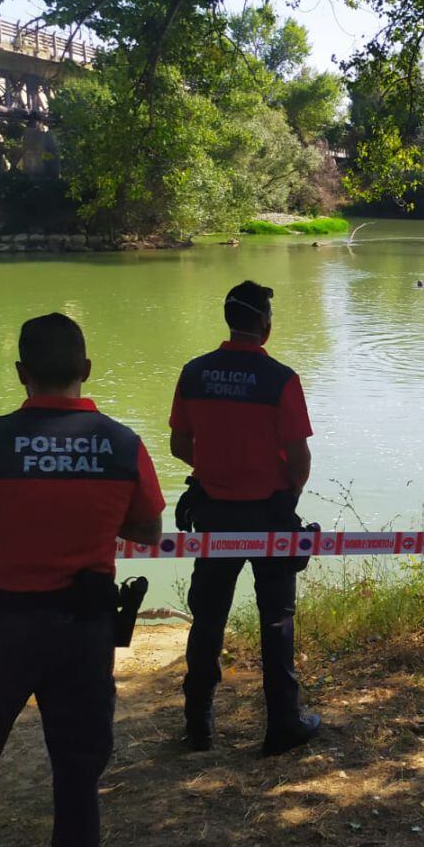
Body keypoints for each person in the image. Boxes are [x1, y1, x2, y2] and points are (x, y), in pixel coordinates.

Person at [0, 314, 164, 847]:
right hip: (81, 632)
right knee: (76, 770)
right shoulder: (122, 443)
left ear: (21, 374)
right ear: (87, 370)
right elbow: (150, 532)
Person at [169, 281, 321, 756]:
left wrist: (216, 469)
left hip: (214, 512)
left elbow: (178, 444)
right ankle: (282, 725)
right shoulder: (280, 379)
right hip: (271, 513)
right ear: (265, 326)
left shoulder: (195, 373)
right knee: (276, 618)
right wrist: (284, 494)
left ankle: (198, 726)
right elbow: (299, 458)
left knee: (208, 617)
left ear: (229, 320)